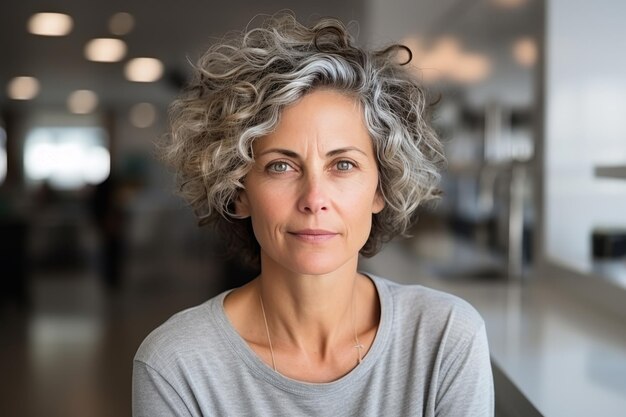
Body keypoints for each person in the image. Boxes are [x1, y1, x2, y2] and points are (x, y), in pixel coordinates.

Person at [133, 12, 494, 417]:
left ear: (381, 188)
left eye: (343, 165)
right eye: (281, 166)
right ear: (238, 192)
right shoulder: (177, 364)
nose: (314, 198)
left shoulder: (446, 338)